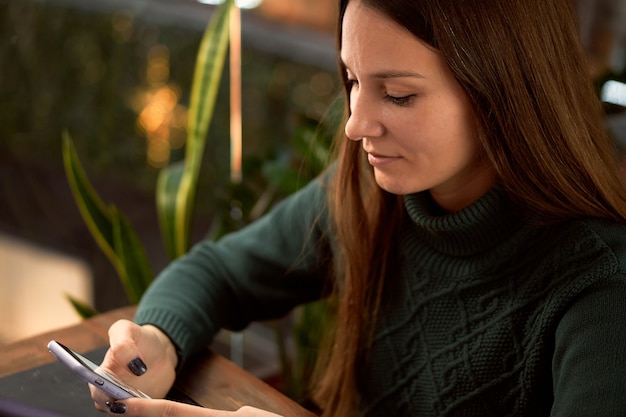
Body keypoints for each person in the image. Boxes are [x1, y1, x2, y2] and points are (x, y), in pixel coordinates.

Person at [91, 0, 626, 416]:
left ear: (504, 93)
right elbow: (219, 272)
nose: (354, 124)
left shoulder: (601, 287)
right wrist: (158, 341)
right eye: (351, 80)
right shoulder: (369, 196)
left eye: (396, 94)